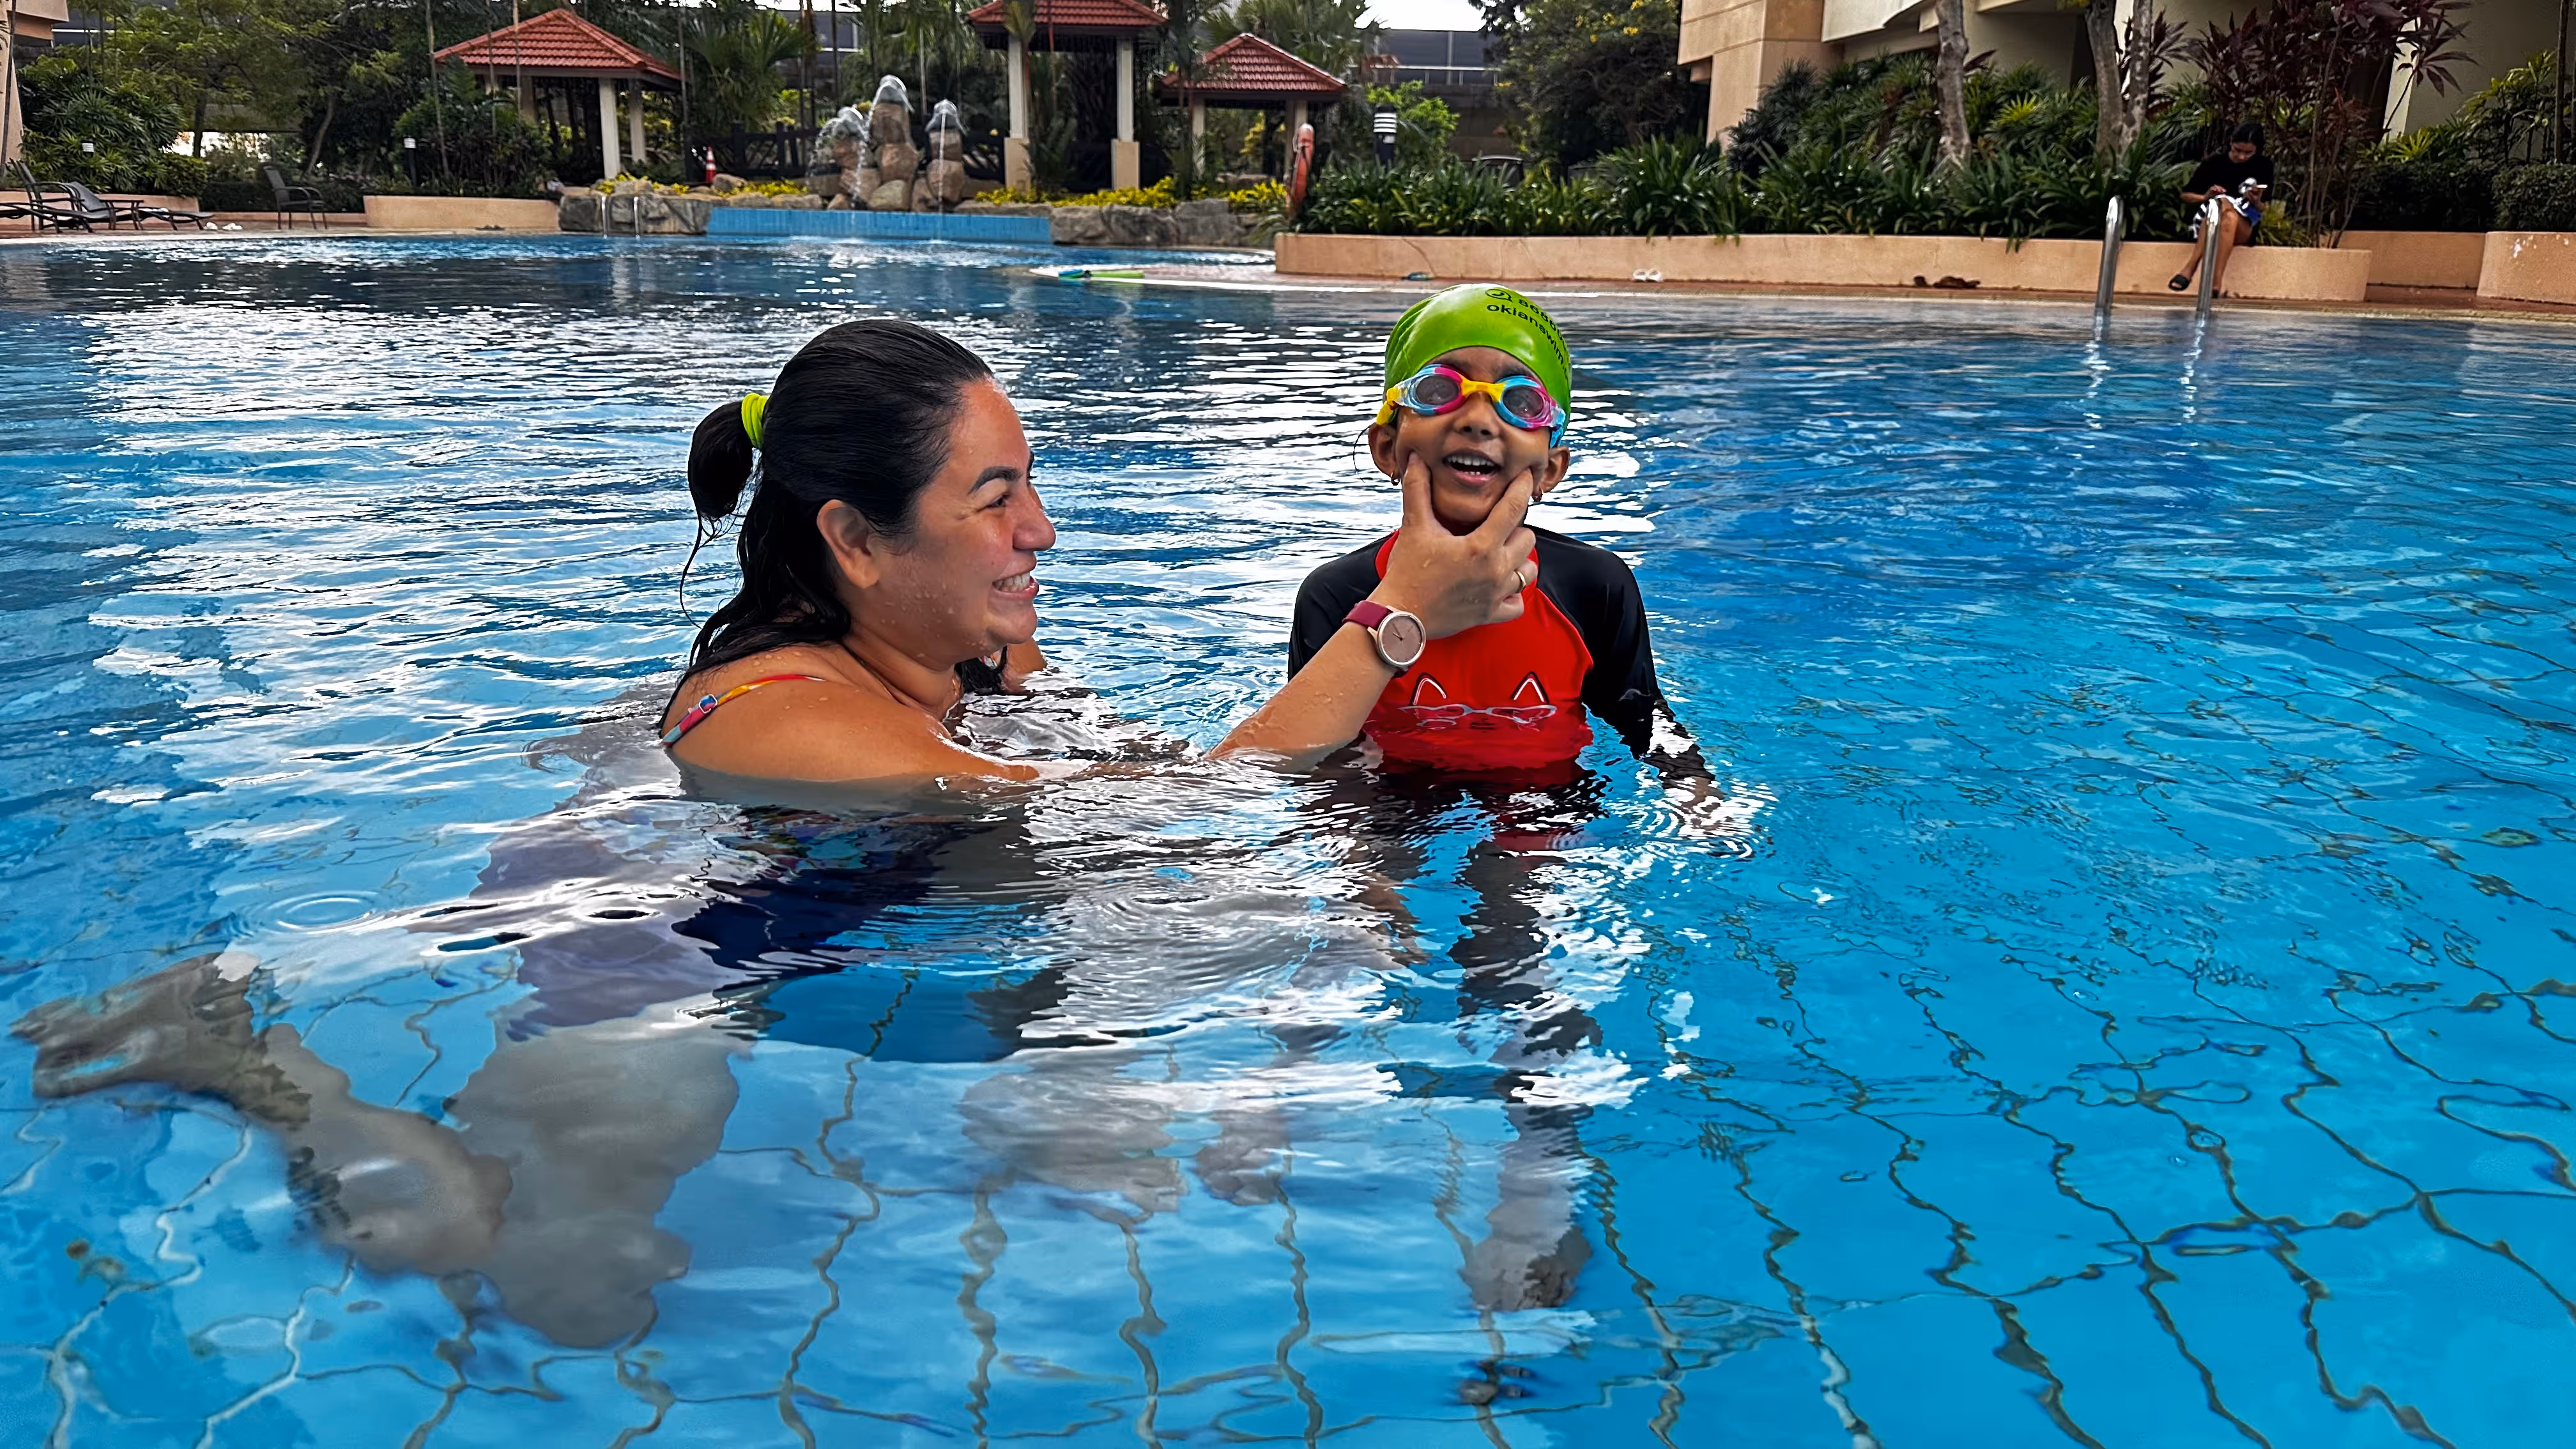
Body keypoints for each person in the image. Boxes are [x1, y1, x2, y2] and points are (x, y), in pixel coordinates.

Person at [658, 319, 1538, 786]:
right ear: (856, 541)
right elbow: (1203, 807)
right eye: (997, 499)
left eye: (1030, 485)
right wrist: (1398, 615)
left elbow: (1141, 759)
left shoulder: (976, 651)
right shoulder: (788, 723)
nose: (1041, 531)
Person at [1285, 284, 1702, 780]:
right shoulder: (1337, 594)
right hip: (1391, 790)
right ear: (1387, 447)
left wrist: (1697, 794)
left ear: (1550, 469)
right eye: (1439, 391)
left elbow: (1642, 714)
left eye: (1522, 403)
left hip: (1540, 794)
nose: (1479, 421)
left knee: (1513, 858)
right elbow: (1315, 751)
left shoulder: (1595, 586)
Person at [2170, 122, 2274, 296]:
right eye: (2237, 150)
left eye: (2248, 153)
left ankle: (2190, 267)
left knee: (2225, 206)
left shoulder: (2263, 166)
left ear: (2257, 150)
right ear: (2231, 144)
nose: (2242, 157)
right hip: (2212, 221)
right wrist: (2206, 197)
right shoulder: (2214, 163)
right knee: (2226, 214)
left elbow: (2264, 208)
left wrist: (2256, 201)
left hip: (2245, 225)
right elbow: (2186, 195)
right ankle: (2216, 283)